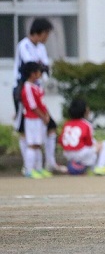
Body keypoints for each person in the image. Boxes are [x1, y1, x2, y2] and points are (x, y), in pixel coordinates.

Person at [12, 18, 66, 174]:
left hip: (37, 90)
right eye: (46, 33)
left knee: (50, 126)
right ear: (39, 32)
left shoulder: (41, 47)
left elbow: (44, 67)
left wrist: (43, 70)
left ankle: (49, 162)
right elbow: (31, 66)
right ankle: (28, 167)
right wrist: (40, 68)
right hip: (22, 89)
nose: (47, 37)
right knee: (24, 130)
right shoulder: (23, 45)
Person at [59, 98, 105, 176]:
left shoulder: (67, 124)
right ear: (84, 111)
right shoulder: (86, 124)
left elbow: (61, 140)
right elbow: (89, 143)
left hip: (67, 154)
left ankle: (81, 167)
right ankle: (100, 168)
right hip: (80, 154)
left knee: (93, 146)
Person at [18, 62, 51, 179]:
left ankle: (38, 168)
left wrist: (46, 115)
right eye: (38, 71)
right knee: (32, 144)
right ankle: (29, 169)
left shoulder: (36, 87)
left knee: (38, 144)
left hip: (39, 119)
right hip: (32, 119)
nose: (40, 74)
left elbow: (42, 103)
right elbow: (32, 106)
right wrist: (43, 116)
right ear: (32, 74)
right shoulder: (27, 87)